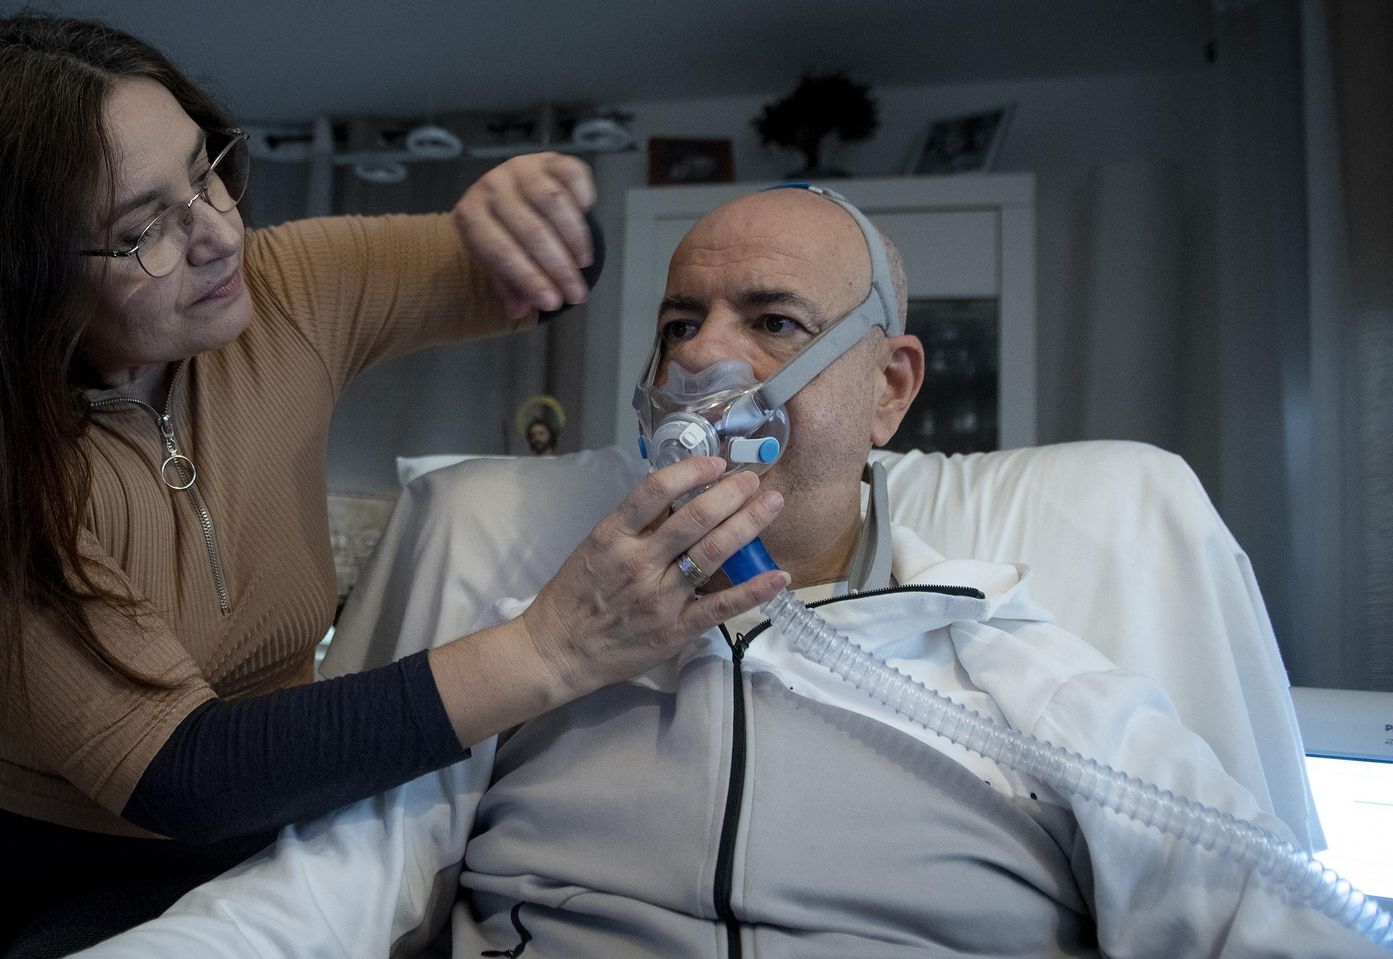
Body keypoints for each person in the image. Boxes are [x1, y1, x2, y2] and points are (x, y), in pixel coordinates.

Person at [72, 186, 1383, 958]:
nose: (708, 363)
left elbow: (1260, 913)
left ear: (889, 386)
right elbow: (324, 889)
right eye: (679, 321)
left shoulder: (1015, 663)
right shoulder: (541, 626)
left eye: (774, 324)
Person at [0, 15, 788, 958]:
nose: (220, 232)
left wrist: (545, 207)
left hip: (199, 854)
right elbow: (186, 770)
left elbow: (535, 277)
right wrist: (551, 646)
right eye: (147, 229)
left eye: (208, 170)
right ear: (15, 278)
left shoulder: (289, 288)